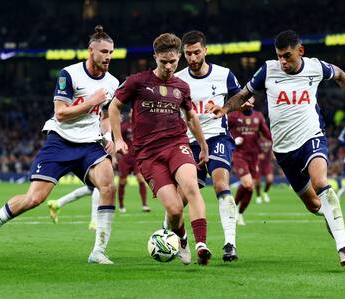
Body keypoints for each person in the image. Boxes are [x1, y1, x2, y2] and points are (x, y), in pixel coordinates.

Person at [208, 29, 345, 266]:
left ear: (300, 51)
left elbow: (340, 74)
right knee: (314, 205)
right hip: (285, 151)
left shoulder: (316, 67)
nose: (282, 61)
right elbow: (244, 93)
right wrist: (225, 110)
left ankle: (343, 246)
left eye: (287, 56)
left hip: (311, 137)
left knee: (320, 182)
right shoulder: (268, 70)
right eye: (279, 56)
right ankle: (330, 213)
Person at [0, 26, 120, 265]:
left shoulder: (113, 82)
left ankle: (98, 251)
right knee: (34, 199)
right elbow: (60, 114)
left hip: (90, 144)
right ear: (90, 50)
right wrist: (89, 101)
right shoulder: (69, 74)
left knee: (108, 185)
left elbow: (103, 116)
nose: (108, 57)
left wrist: (109, 137)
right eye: (104, 51)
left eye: (111, 52)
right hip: (60, 141)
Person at [109, 33, 212, 265]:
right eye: (163, 61)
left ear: (178, 59)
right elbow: (114, 107)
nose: (168, 66)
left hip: (177, 144)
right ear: (155, 57)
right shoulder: (137, 81)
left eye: (173, 61)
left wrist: (203, 146)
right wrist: (118, 139)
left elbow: (191, 117)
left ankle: (202, 244)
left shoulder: (182, 87)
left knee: (191, 187)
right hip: (148, 154)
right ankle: (182, 239)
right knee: (174, 210)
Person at [169, 30, 241, 261]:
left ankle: (230, 243)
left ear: (205, 51)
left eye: (196, 52)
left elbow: (242, 99)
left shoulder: (224, 74)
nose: (192, 57)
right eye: (188, 54)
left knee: (221, 184)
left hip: (217, 137)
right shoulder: (178, 79)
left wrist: (240, 105)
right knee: (179, 198)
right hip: (188, 142)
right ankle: (171, 239)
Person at [228, 110, 271, 225]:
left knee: (250, 187)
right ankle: (234, 208)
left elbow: (267, 134)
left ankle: (239, 213)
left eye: (251, 98)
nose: (248, 100)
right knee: (248, 184)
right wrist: (232, 140)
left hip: (254, 157)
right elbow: (222, 129)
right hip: (239, 155)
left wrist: (276, 141)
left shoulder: (258, 116)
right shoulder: (233, 116)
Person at [116, 112, 150, 213]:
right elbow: (118, 140)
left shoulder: (141, 126)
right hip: (125, 157)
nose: (132, 113)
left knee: (141, 179)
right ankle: (121, 206)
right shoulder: (124, 126)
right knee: (122, 181)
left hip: (137, 158)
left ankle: (144, 205)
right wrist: (115, 155)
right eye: (131, 111)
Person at [255, 137, 274, 204]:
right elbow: (251, 151)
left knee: (270, 180)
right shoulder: (256, 140)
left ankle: (265, 192)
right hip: (258, 164)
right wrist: (257, 156)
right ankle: (258, 196)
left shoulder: (270, 139)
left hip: (267, 164)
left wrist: (273, 155)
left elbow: (272, 149)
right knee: (257, 182)